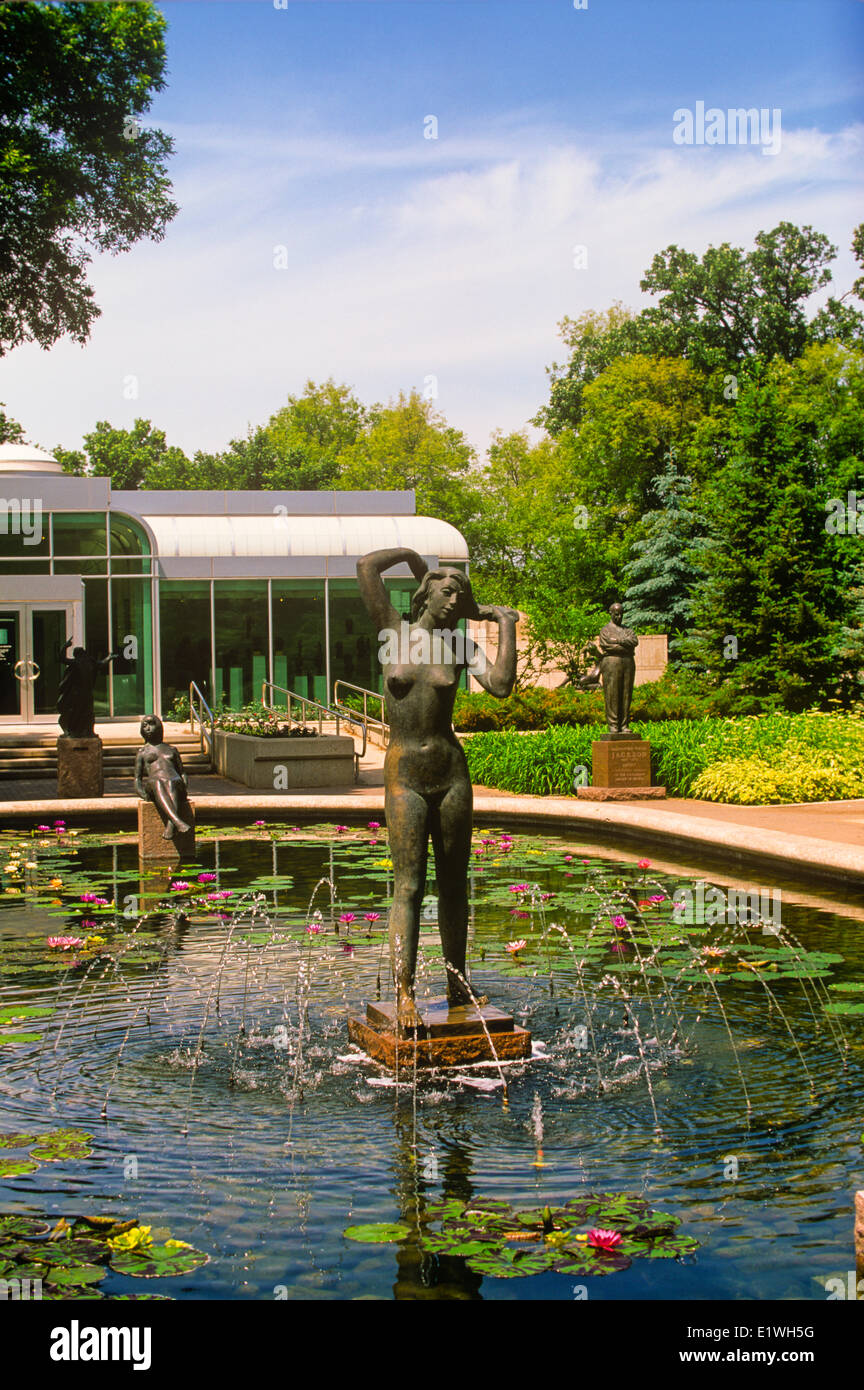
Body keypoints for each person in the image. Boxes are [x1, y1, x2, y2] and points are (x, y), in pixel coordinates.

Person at [357, 547, 518, 1031]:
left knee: (453, 884)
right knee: (408, 885)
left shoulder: (460, 645)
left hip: (451, 775)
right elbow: (366, 567)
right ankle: (404, 992)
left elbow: (502, 685)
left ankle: (457, 982)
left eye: (461, 594)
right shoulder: (392, 630)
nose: (454, 599)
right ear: (425, 593)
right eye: (446, 591)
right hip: (404, 773)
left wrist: (503, 623)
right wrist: (411, 556)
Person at [135, 715, 193, 840]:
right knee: (158, 781)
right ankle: (177, 822)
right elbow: (137, 779)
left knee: (172, 781)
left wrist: (184, 785)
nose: (148, 728)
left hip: (174, 783)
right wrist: (141, 793)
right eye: (145, 725)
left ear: (159, 726)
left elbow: (182, 773)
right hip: (154, 785)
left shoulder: (172, 749)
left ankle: (172, 824)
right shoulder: (142, 752)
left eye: (151, 724)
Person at [57, 638, 118, 737]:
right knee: (87, 713)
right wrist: (109, 657)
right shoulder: (90, 662)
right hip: (86, 694)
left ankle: (80, 731)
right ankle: (86, 731)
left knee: (79, 713)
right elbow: (101, 664)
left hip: (78, 694)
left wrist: (65, 646)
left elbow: (61, 658)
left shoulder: (78, 662)